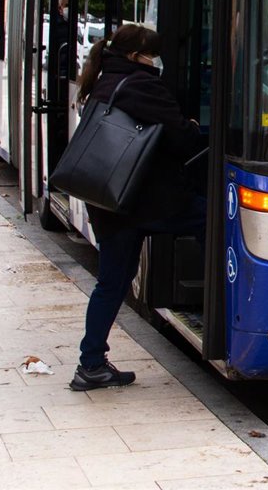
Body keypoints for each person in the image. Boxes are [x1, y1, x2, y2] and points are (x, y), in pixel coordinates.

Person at [69, 23, 206, 391]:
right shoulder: (142, 84)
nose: (155, 60)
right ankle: (224, 311)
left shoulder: (105, 80)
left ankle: (91, 363)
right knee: (213, 220)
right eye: (152, 54)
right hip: (147, 201)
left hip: (111, 202)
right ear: (136, 57)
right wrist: (193, 127)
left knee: (111, 282)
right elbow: (180, 138)